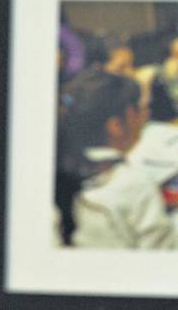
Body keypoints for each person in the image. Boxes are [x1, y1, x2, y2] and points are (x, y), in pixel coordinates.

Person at [55, 68, 177, 249]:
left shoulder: (59, 173)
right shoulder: (134, 185)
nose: (144, 115)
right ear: (116, 125)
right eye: (138, 108)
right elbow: (161, 253)